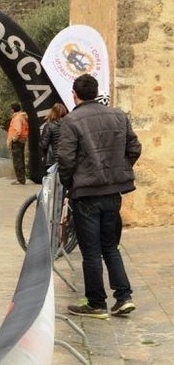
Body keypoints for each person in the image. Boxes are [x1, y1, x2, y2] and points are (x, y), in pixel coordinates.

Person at [57, 74, 142, 319]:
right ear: (96, 92)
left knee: (91, 251)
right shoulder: (118, 115)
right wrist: (119, 171)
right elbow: (134, 148)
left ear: (75, 95)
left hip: (86, 193)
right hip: (113, 192)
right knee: (110, 246)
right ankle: (124, 297)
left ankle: (96, 303)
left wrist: (69, 183)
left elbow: (65, 159)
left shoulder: (72, 120)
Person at [39, 102, 68, 172]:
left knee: (52, 178)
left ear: (53, 112)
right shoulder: (69, 125)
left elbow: (44, 145)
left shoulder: (49, 126)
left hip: (52, 160)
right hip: (67, 158)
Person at [6, 102, 29, 185]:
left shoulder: (17, 118)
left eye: (11, 109)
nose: (10, 110)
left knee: (17, 161)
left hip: (17, 141)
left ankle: (20, 179)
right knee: (20, 160)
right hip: (21, 140)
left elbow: (18, 130)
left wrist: (13, 139)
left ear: (13, 109)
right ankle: (21, 178)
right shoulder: (22, 117)